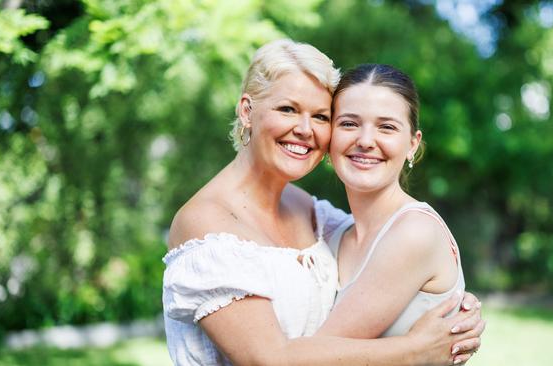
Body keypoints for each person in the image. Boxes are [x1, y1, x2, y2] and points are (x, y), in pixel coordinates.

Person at [162, 39, 483, 366]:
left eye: (319, 116)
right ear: (247, 111)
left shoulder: (308, 210)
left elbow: (388, 250)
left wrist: (449, 294)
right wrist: (414, 350)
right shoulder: (205, 223)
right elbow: (271, 360)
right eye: (287, 109)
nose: (304, 129)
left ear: (413, 143)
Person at [319, 64, 474, 351]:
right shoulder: (334, 234)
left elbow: (312, 356)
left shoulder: (414, 232)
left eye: (386, 127)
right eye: (349, 124)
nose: (365, 141)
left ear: (412, 144)